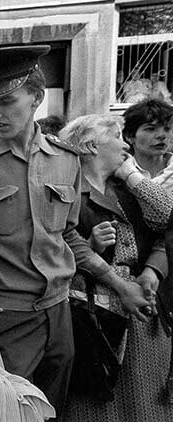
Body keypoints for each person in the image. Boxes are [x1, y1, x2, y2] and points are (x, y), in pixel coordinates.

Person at [0, 45, 111, 415]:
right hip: (0, 318)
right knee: (2, 413)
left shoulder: (66, 159)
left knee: (49, 411)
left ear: (36, 98)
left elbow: (69, 235)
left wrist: (121, 283)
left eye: (7, 100)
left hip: (59, 313)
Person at [59, 114, 173, 421]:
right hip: (93, 319)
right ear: (92, 145)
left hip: (141, 313)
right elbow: (59, 248)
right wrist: (90, 244)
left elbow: (169, 223)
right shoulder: (68, 192)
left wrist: (152, 271)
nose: (126, 145)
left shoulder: (128, 190)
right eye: (118, 137)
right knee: (98, 408)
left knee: (147, 406)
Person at [122, 99, 173, 192]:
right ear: (129, 136)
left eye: (167, 129)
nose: (161, 135)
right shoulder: (119, 174)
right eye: (150, 129)